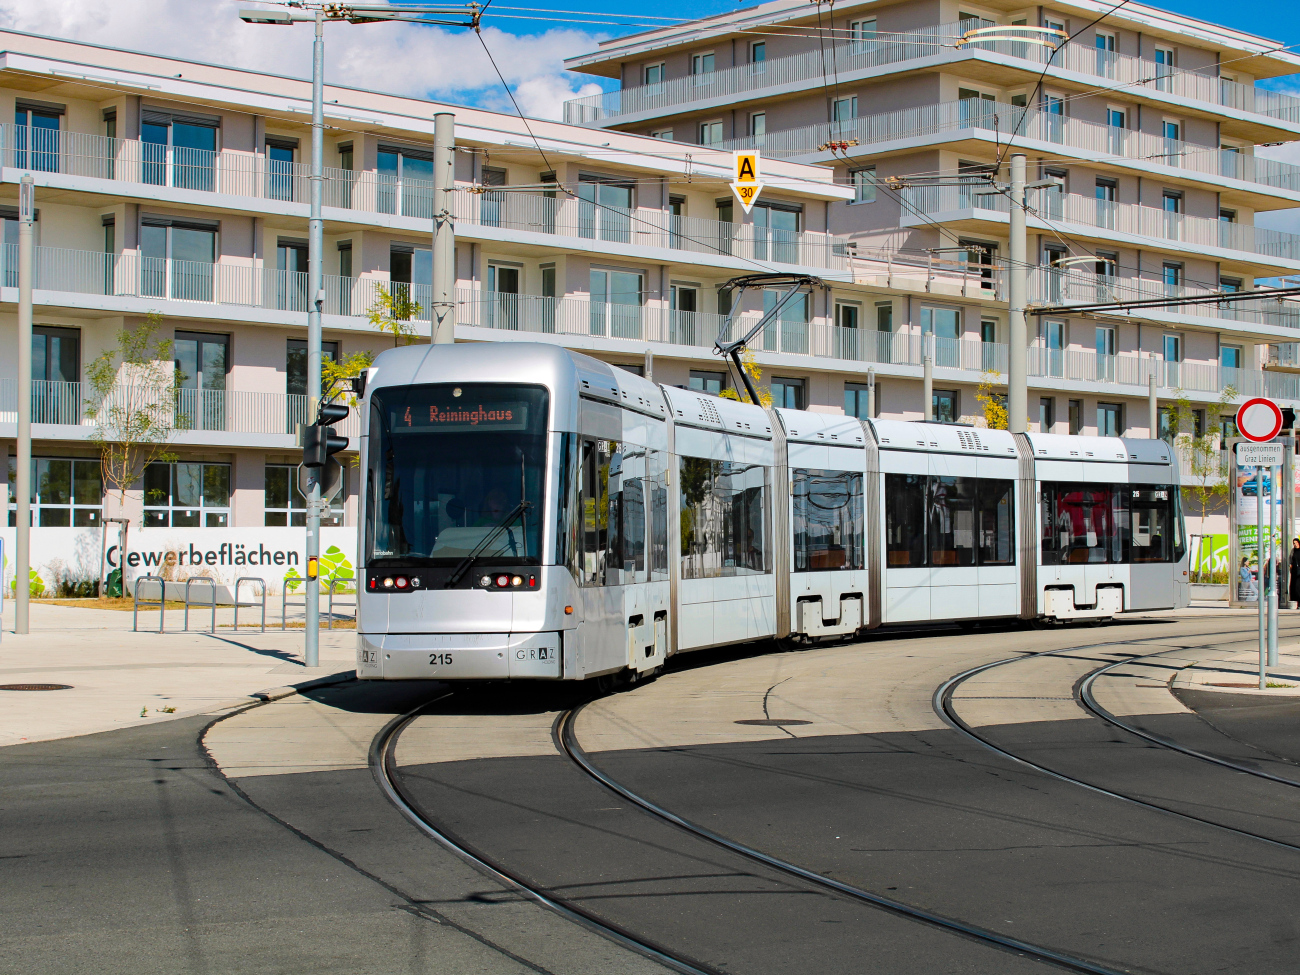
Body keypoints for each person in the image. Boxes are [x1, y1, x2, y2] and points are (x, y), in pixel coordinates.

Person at [1290, 539, 1300, 609]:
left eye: (1296, 543)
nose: (1295, 544)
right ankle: (1298, 603)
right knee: (1295, 588)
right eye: (1294, 543)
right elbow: (1290, 560)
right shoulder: (1293, 551)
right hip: (1295, 572)